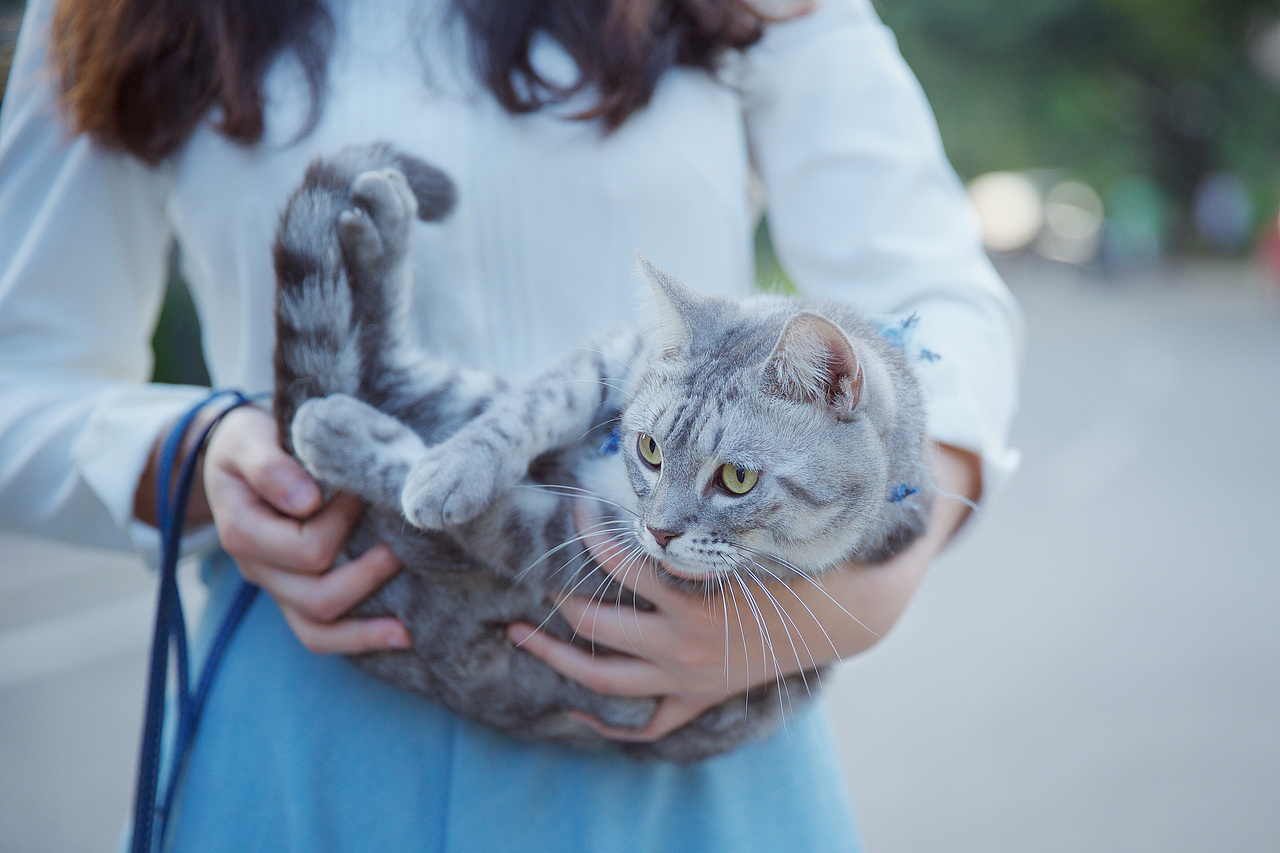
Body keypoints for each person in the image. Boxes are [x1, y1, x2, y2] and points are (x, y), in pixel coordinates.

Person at [0, 0, 1021, 849]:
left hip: (699, 704)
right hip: (321, 702)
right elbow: (20, 375)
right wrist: (192, 453)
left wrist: (871, 587)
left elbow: (932, 296)